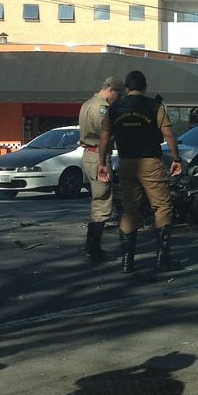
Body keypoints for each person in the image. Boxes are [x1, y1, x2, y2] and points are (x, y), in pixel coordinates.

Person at [97, 70, 182, 273]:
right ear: (144, 87)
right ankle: (162, 258)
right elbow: (168, 134)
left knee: (129, 209)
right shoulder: (154, 106)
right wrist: (176, 158)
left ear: (127, 88)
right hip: (150, 161)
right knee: (162, 207)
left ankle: (128, 261)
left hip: (125, 162)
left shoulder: (115, 108)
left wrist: (102, 162)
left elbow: (104, 137)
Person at [78, 76, 125, 262]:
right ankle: (92, 249)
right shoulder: (101, 108)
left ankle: (93, 247)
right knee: (102, 202)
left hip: (90, 154)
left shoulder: (87, 104)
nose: (118, 98)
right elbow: (106, 133)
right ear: (111, 90)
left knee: (99, 200)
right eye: (118, 94)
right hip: (98, 155)